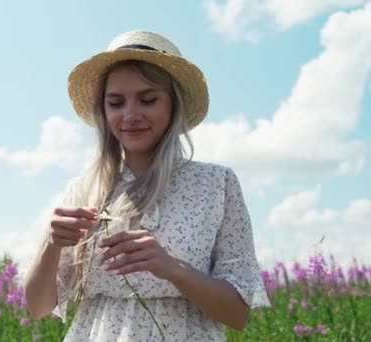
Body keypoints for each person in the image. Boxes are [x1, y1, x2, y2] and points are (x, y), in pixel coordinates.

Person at [23, 30, 270, 341]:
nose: (130, 115)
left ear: (173, 105)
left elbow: (237, 314)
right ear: (104, 111)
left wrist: (171, 267)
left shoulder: (216, 184)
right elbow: (38, 307)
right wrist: (51, 242)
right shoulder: (84, 189)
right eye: (115, 102)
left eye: (148, 99)